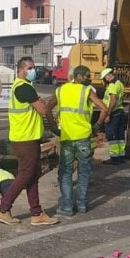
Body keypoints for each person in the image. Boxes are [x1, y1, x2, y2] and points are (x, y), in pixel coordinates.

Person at [0, 56, 59, 226]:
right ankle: (3, 209)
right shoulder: (24, 88)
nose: (33, 70)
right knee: (25, 175)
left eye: (34, 67)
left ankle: (36, 213)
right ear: (21, 70)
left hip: (27, 138)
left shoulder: (23, 87)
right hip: (25, 139)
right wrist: (44, 103)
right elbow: (43, 109)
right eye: (30, 67)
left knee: (33, 176)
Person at [47, 65, 107, 216]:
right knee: (84, 173)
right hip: (84, 139)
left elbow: (47, 109)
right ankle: (81, 205)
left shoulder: (61, 90)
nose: (89, 78)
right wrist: (97, 126)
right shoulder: (87, 91)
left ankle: (67, 207)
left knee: (66, 173)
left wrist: (54, 127)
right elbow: (104, 108)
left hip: (67, 138)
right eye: (86, 76)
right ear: (78, 76)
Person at [101, 68, 126, 164]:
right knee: (120, 135)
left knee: (112, 135)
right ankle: (121, 156)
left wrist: (108, 114)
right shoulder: (119, 83)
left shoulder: (112, 85)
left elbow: (113, 100)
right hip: (119, 111)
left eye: (104, 78)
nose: (105, 80)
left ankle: (115, 158)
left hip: (113, 112)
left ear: (108, 76)